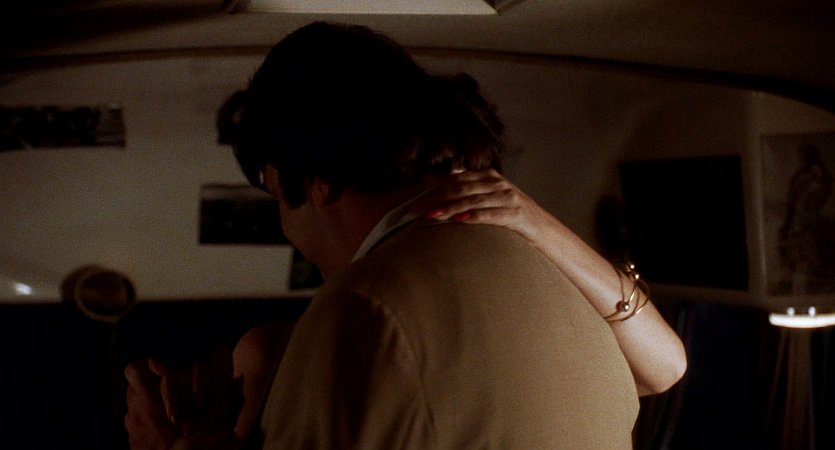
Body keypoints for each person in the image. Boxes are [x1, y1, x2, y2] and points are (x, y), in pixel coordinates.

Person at [125, 21, 685, 449]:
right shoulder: (560, 287)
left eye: (276, 197)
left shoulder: (361, 307)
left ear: (317, 181)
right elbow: (663, 369)